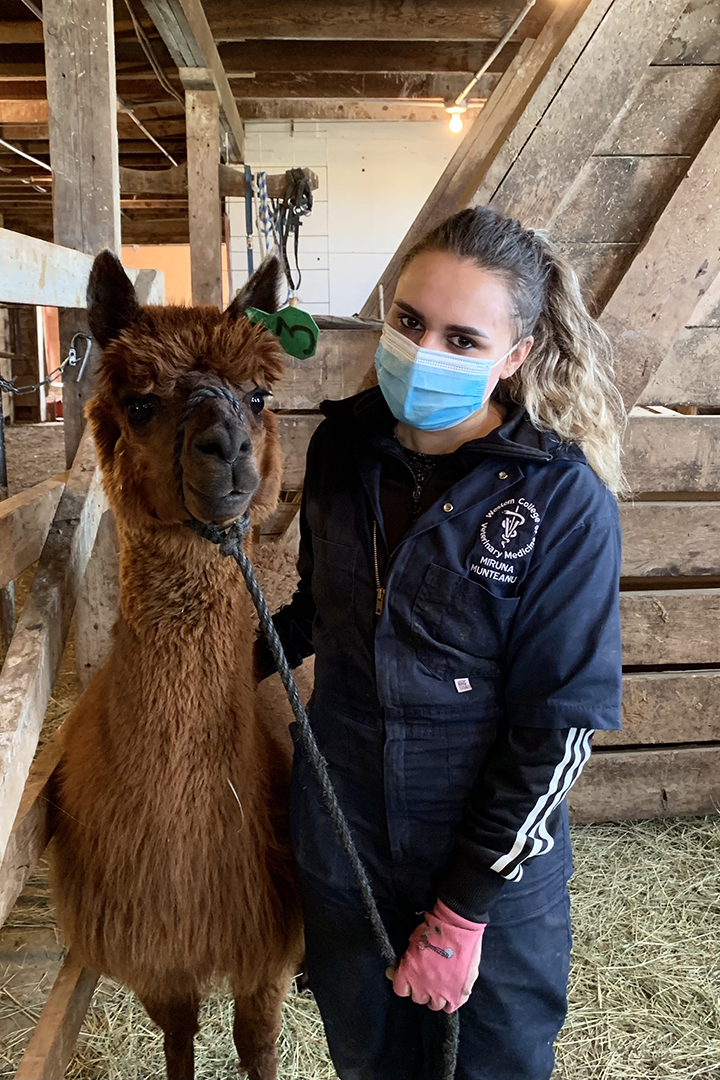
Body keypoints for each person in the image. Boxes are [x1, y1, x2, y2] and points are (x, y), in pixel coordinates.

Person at [254, 206, 625, 1080]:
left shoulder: (560, 503)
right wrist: (205, 662)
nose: (425, 353)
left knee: (488, 1065)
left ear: (517, 355)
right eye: (411, 322)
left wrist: (462, 914)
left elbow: (557, 730)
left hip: (482, 858)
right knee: (369, 1059)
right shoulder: (346, 448)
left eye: (464, 339)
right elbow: (321, 608)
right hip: (343, 828)